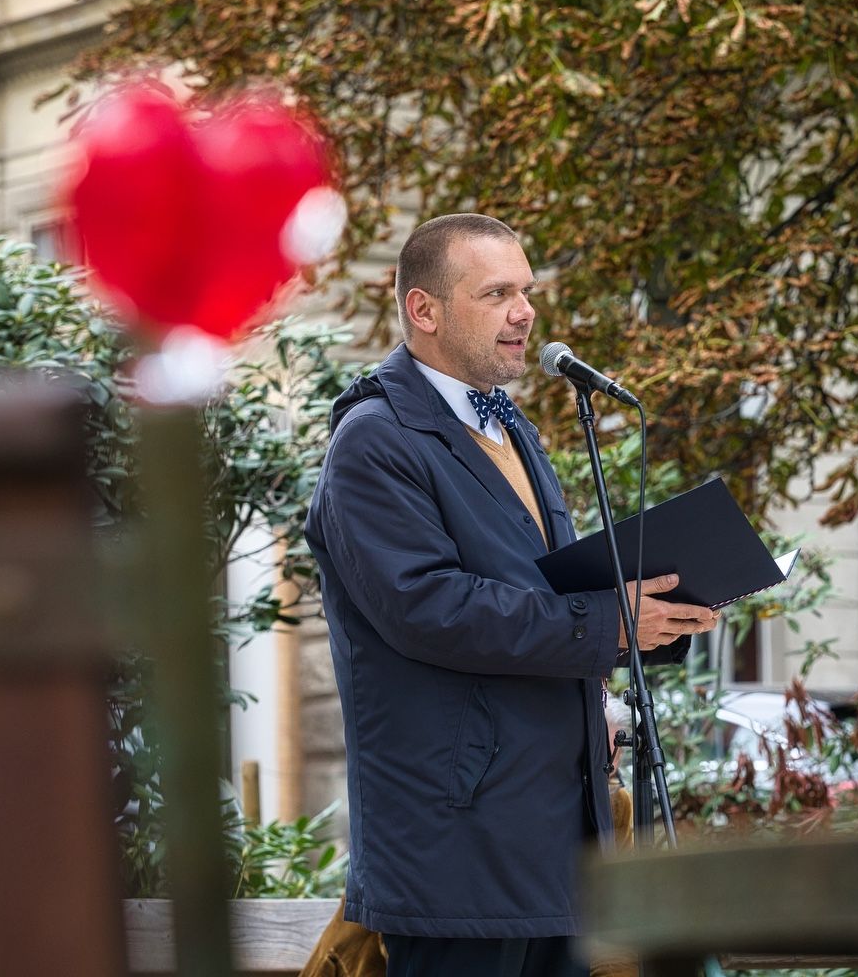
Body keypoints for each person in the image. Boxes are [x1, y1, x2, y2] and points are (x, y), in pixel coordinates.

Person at [304, 213, 719, 977]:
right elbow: (430, 609)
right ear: (423, 311)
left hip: (556, 840)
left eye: (527, 291)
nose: (525, 312)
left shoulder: (516, 432)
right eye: (497, 293)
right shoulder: (374, 441)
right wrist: (609, 622)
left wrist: (652, 612)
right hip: (458, 851)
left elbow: (538, 591)